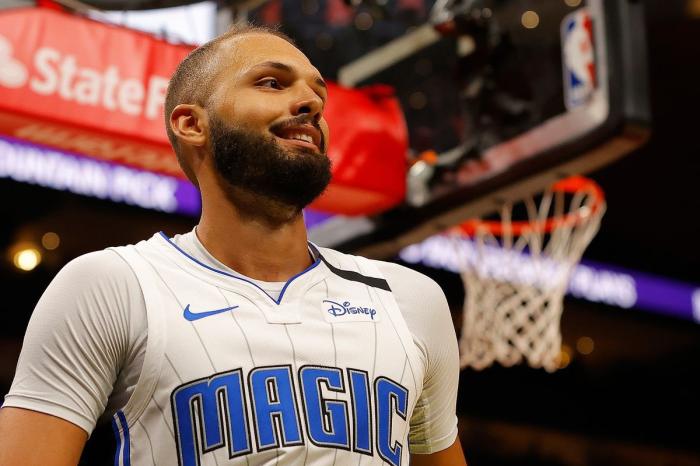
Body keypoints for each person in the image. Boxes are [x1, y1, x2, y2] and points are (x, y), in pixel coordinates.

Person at [0, 25, 466, 466]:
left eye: (318, 94)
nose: (311, 103)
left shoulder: (409, 301)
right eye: (272, 83)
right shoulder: (114, 285)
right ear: (191, 124)